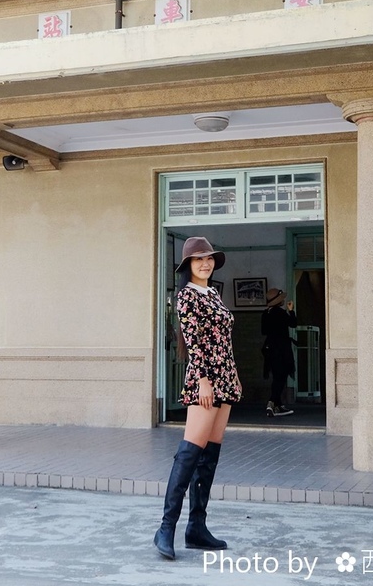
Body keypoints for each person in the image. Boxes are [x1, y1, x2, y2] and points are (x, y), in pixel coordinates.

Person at [154, 236, 242, 561]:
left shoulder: (213, 294)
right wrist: (204, 381)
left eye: (209, 258)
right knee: (190, 453)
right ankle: (166, 528)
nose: (205, 263)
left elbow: (222, 339)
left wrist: (233, 375)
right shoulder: (187, 296)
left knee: (209, 457)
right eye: (198, 259)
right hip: (204, 381)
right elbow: (193, 341)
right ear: (188, 265)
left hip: (224, 379)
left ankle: (197, 527)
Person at [261, 287, 296, 418]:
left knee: (276, 376)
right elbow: (293, 324)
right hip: (281, 349)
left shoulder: (266, 313)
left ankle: (278, 404)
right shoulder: (280, 313)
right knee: (281, 377)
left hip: (270, 348)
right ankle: (272, 403)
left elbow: (264, 331)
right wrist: (291, 311)